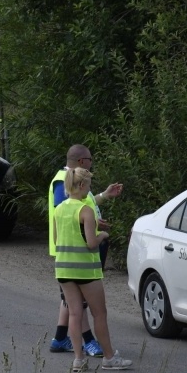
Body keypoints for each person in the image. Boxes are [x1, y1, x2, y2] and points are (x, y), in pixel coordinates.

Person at [53, 167, 132, 372]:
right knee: (99, 313)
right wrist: (102, 235)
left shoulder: (59, 209)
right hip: (85, 269)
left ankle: (78, 359)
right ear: (81, 185)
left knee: (74, 314)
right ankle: (109, 357)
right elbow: (91, 243)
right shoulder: (85, 210)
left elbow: (56, 239)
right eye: (88, 186)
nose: (89, 190)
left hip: (63, 268)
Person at [48, 144, 123, 356]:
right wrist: (99, 230)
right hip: (78, 255)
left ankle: (64, 342)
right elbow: (74, 215)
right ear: (82, 162)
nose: (92, 163)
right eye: (90, 159)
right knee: (86, 307)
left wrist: (104, 196)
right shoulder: (64, 182)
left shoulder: (74, 183)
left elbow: (80, 204)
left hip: (67, 258)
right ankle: (91, 343)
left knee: (72, 306)